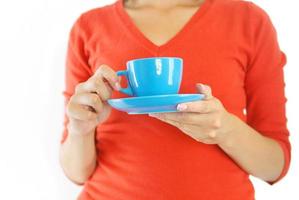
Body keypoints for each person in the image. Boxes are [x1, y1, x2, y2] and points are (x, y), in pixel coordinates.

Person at [59, 0, 291, 199]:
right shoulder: (89, 27)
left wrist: (225, 130)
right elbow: (76, 173)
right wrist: (80, 129)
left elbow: (274, 167)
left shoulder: (248, 21)